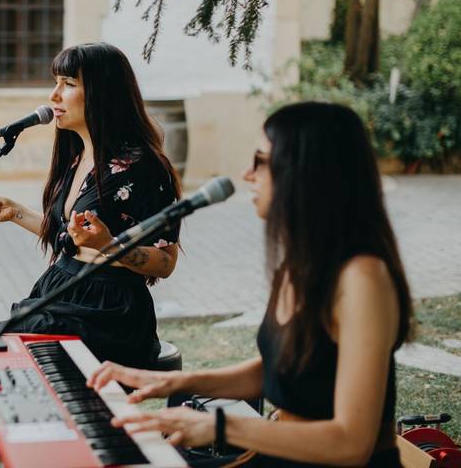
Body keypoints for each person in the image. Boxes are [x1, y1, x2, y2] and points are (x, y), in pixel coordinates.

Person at [87, 101, 413, 467]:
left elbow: (352, 443)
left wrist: (220, 427)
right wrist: (169, 383)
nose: (246, 174)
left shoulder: (362, 279)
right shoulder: (301, 262)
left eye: (260, 160)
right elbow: (270, 370)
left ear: (307, 172)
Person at [0, 42, 182, 467]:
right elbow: (71, 237)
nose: (54, 96)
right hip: (63, 291)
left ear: (102, 93)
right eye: (55, 83)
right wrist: (17, 213)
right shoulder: (77, 157)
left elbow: (165, 262)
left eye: (68, 84)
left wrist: (111, 247)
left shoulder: (143, 166)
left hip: (108, 312)